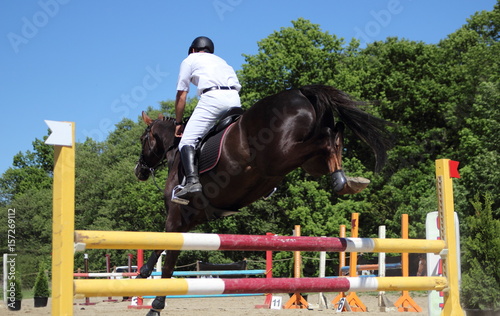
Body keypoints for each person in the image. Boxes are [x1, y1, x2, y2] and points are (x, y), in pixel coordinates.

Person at [173, 36, 241, 202]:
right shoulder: (221, 61)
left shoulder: (190, 59)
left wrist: (179, 123)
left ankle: (192, 182)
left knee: (187, 142)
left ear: (194, 50)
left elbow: (182, 94)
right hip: (234, 98)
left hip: (213, 98)